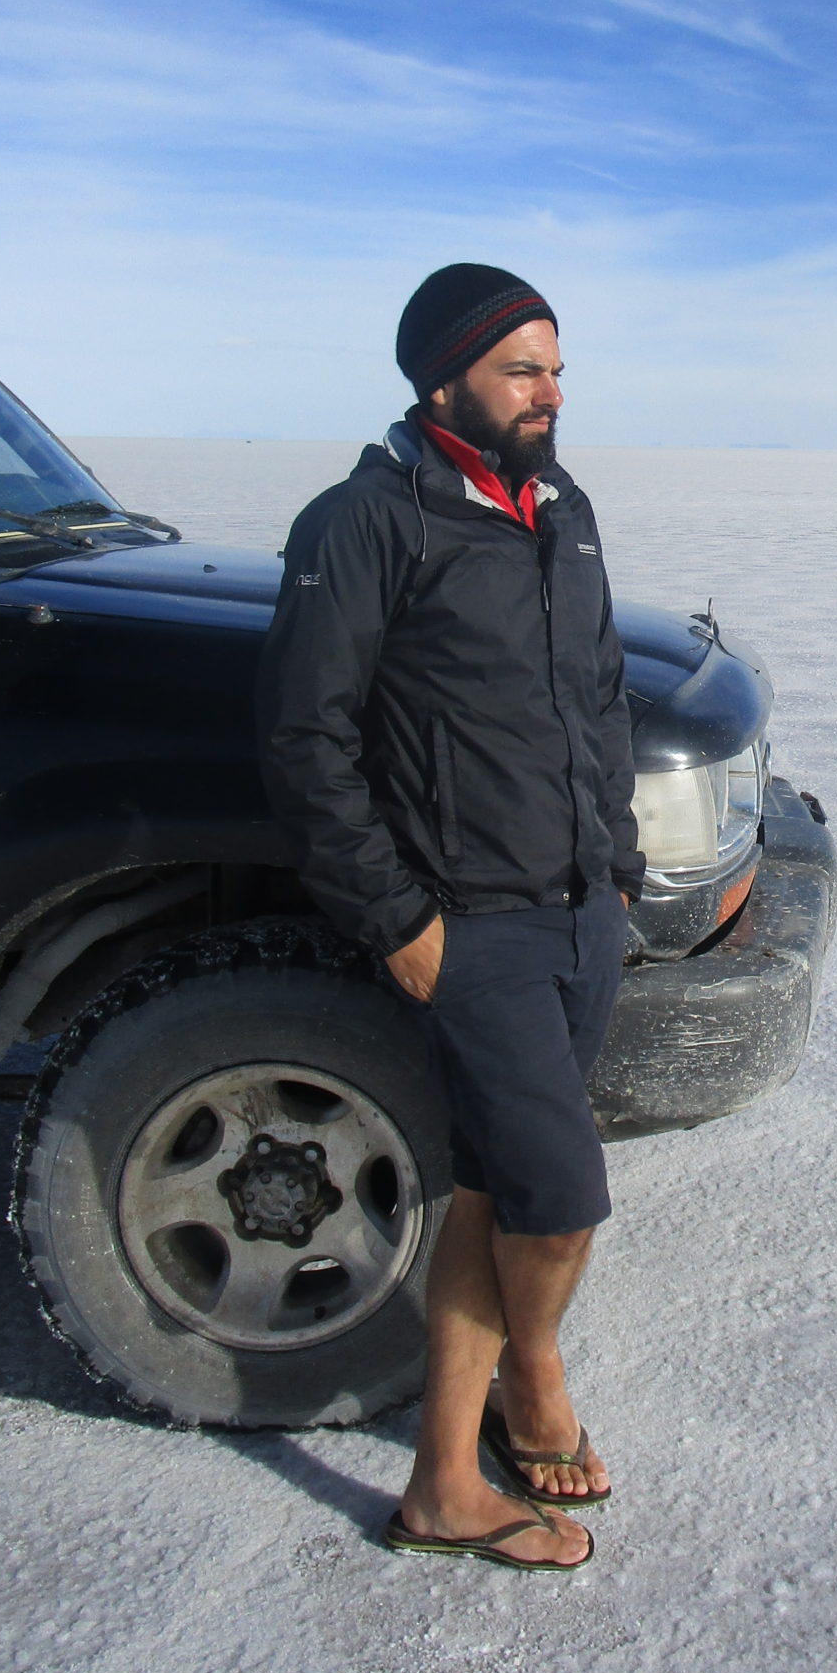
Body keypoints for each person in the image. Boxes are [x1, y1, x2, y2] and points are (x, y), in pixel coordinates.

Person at [257, 264, 644, 1570]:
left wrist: (624, 869)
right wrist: (398, 918)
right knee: (560, 1199)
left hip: (581, 908)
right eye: (521, 370)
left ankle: (439, 1486)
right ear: (442, 382)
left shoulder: (559, 508)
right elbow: (306, 739)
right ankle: (531, 1376)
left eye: (556, 369)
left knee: (491, 1187)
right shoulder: (365, 522)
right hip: (467, 921)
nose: (550, 393)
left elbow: (596, 698)